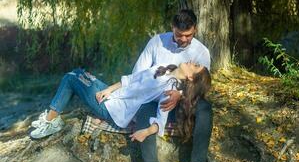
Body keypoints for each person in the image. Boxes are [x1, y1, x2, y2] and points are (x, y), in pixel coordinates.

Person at [131, 9, 212, 162]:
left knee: (205, 108)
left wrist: (181, 94)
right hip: (155, 98)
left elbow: (201, 86)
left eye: (188, 35)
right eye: (179, 35)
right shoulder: (156, 43)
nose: (183, 39)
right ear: (172, 28)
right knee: (145, 110)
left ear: (196, 30)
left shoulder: (201, 52)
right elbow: (138, 74)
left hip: (184, 103)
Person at [29, 63, 210, 146]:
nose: (191, 61)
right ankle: (52, 118)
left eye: (194, 66)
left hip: (113, 109)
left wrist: (145, 131)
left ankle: (51, 121)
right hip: (112, 95)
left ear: (190, 77)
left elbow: (159, 121)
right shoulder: (163, 68)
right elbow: (132, 79)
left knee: (70, 78)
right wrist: (109, 89)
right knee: (77, 71)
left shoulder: (169, 91)